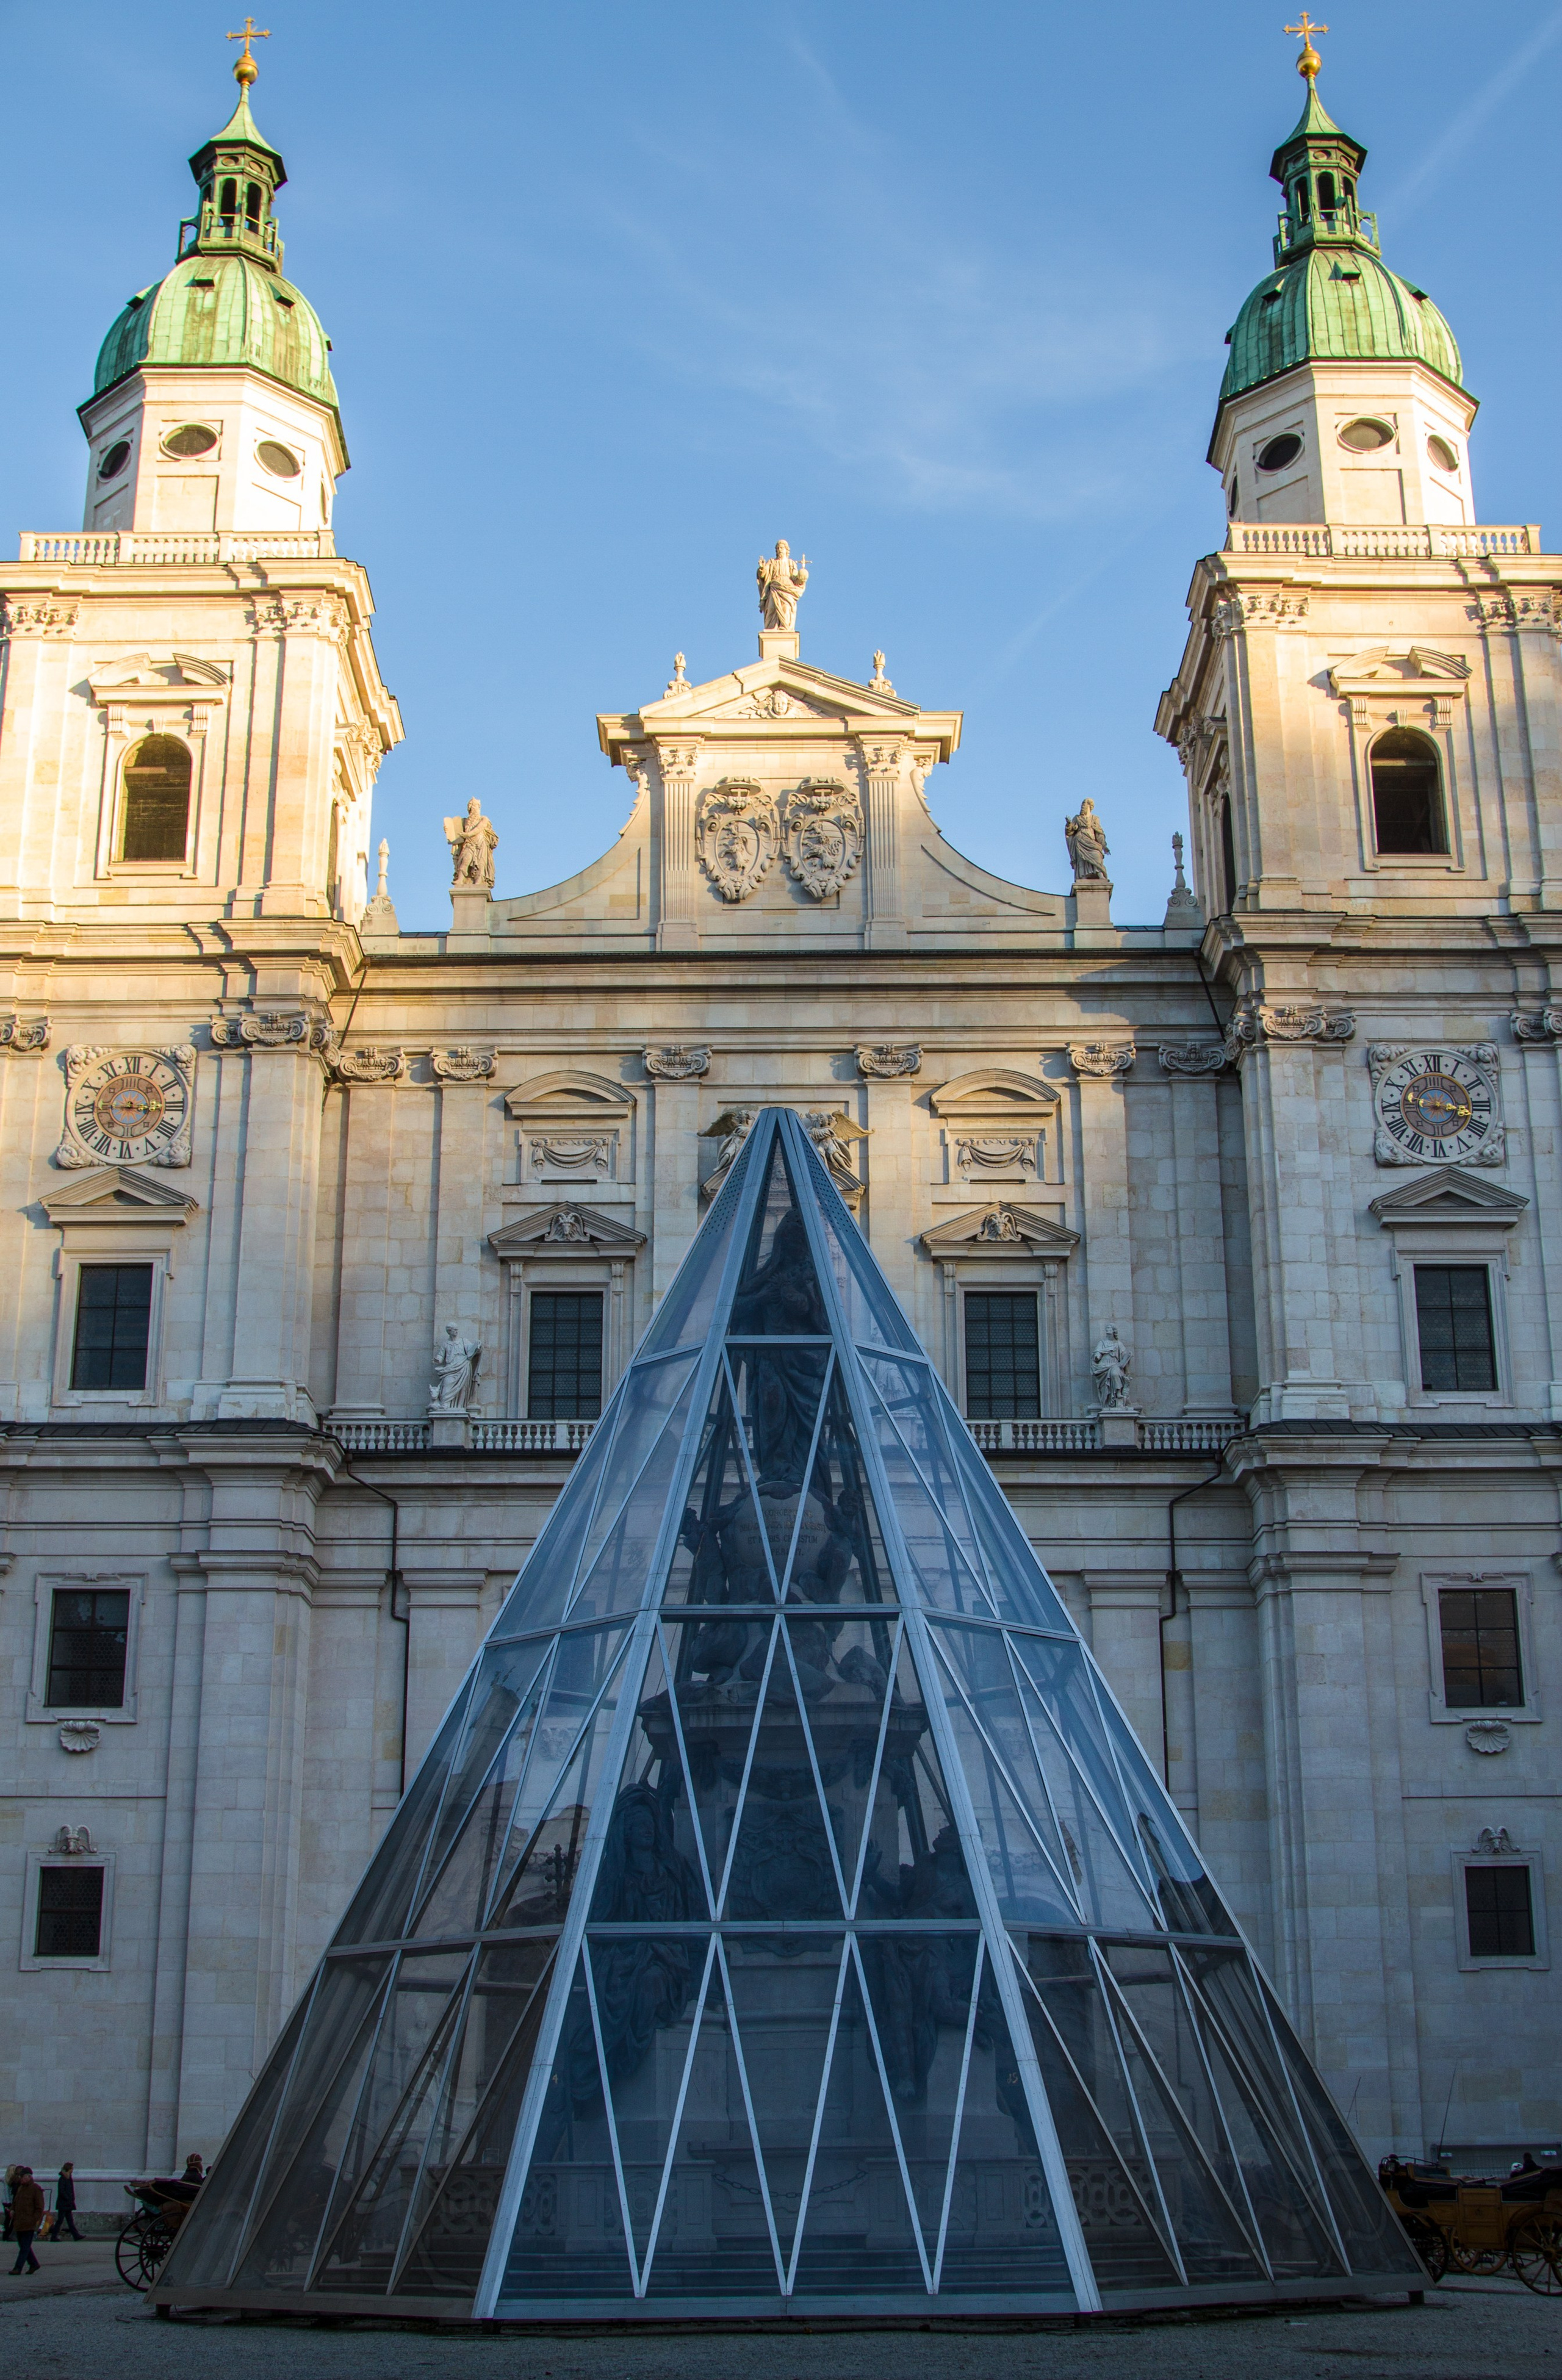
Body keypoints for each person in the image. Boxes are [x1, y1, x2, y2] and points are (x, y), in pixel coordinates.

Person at [9, 2167, 44, 2274]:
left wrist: (34, 2220)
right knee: (24, 2246)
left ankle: (18, 2268)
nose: (21, 2179)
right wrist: (12, 2210)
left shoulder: (36, 2189)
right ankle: (34, 2264)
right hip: (19, 2222)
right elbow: (15, 2203)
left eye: (23, 2177)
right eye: (20, 2177)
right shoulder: (21, 2188)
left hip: (29, 2224)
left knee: (24, 2247)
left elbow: (40, 2208)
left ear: (29, 2177)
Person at [52, 2162, 81, 2242]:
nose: (73, 2170)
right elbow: (62, 2191)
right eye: (72, 2168)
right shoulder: (63, 2179)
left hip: (67, 2203)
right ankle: (54, 2237)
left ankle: (76, 2235)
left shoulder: (69, 2178)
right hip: (63, 2203)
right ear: (69, 2169)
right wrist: (68, 2198)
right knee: (60, 2221)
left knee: (70, 2221)